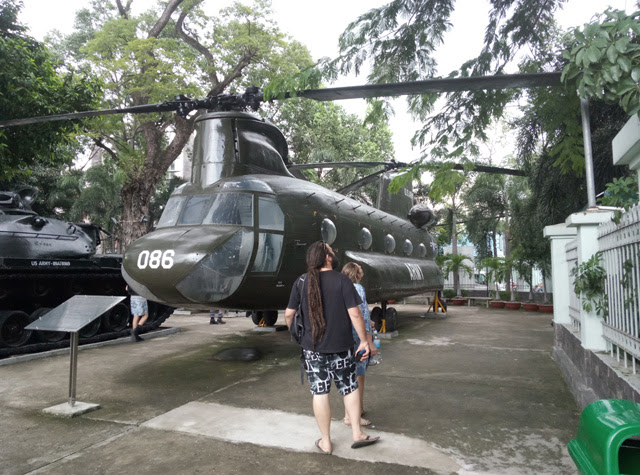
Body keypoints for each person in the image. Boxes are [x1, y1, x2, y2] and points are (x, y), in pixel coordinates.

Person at [285, 241, 380, 455]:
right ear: (326, 257)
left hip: (313, 348)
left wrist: (299, 337)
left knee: (320, 393)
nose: (334, 253)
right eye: (331, 250)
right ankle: (357, 434)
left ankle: (326, 442)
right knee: (349, 388)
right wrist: (365, 340)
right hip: (342, 347)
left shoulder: (301, 281)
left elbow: (289, 314)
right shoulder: (342, 280)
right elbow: (355, 313)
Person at [341, 262, 377, 427]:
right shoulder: (358, 289)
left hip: (343, 338)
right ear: (357, 273)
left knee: (348, 377)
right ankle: (354, 414)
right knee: (359, 377)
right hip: (357, 338)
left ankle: (348, 413)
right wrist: (369, 342)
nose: (362, 269)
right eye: (360, 268)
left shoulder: (340, 287)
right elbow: (361, 316)